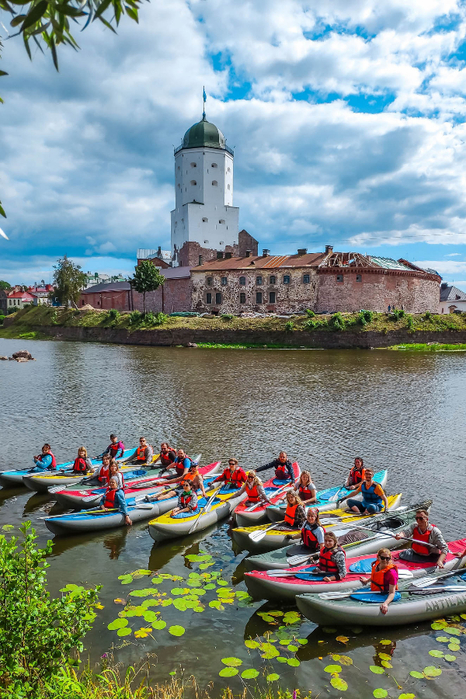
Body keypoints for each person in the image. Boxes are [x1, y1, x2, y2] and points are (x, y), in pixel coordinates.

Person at [359, 547, 398, 615]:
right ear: (378, 557)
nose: (385, 560)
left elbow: (392, 592)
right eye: (383, 558)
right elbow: (376, 576)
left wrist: (386, 603)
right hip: (374, 590)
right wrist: (367, 581)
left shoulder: (391, 573)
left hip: (384, 593)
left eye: (387, 558)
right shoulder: (377, 565)